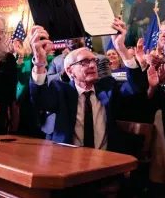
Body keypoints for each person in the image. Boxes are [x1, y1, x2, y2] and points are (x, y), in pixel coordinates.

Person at [29, 19, 149, 151]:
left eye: (94, 60)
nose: (92, 65)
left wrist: (121, 48)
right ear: (70, 71)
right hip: (66, 163)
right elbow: (39, 98)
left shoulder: (107, 87)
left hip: (105, 162)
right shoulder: (61, 90)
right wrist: (39, 63)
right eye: (84, 62)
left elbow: (136, 87)